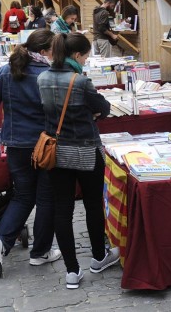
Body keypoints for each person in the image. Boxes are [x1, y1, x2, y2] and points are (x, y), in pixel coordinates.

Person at [0, 29, 60, 278]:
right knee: (46, 198)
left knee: (23, 196)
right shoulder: (49, 75)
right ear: (44, 51)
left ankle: (2, 242)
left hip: (16, 145)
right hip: (44, 146)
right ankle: (40, 253)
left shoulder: (7, 71)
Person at [37, 33, 119, 289]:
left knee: (63, 209)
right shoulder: (81, 82)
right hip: (85, 149)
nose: (86, 60)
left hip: (57, 151)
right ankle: (98, 256)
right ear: (76, 55)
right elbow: (103, 108)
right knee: (93, 205)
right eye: (85, 55)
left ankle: (72, 271)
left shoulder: (42, 78)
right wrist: (91, 111)